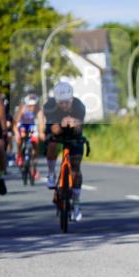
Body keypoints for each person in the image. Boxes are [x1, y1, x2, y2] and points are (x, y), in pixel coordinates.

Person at [44, 81, 87, 221]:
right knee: (51, 144)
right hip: (57, 132)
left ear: (72, 99)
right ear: (56, 101)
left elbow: (80, 129)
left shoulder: (79, 106)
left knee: (75, 170)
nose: (64, 105)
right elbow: (54, 129)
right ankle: (51, 174)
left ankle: (76, 205)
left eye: (67, 102)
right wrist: (62, 125)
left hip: (74, 136)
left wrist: (74, 123)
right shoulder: (49, 106)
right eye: (61, 103)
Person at [14, 94, 42, 177]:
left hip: (31, 126)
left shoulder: (38, 109)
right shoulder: (22, 108)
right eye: (30, 106)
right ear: (27, 104)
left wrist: (41, 132)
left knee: (35, 143)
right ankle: (19, 155)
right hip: (22, 125)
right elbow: (16, 122)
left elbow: (41, 121)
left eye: (34, 106)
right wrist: (16, 132)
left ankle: (34, 168)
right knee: (20, 138)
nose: (32, 108)